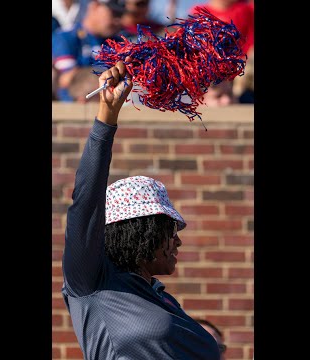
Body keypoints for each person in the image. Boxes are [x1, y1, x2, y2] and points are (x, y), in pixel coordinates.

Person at [61, 57, 221, 359]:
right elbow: (85, 204)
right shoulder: (93, 282)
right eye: (168, 229)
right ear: (138, 232)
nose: (178, 240)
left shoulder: (161, 298)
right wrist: (106, 120)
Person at [52, 0, 126, 102]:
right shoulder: (66, 36)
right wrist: (110, 74)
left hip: (111, 108)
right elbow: (67, 80)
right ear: (95, 6)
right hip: (72, 108)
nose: (118, 20)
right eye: (114, 13)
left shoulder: (119, 42)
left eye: (121, 15)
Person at [189, 0, 254, 105]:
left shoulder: (245, 10)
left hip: (241, 70)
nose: (226, 101)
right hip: (209, 72)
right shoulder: (198, 12)